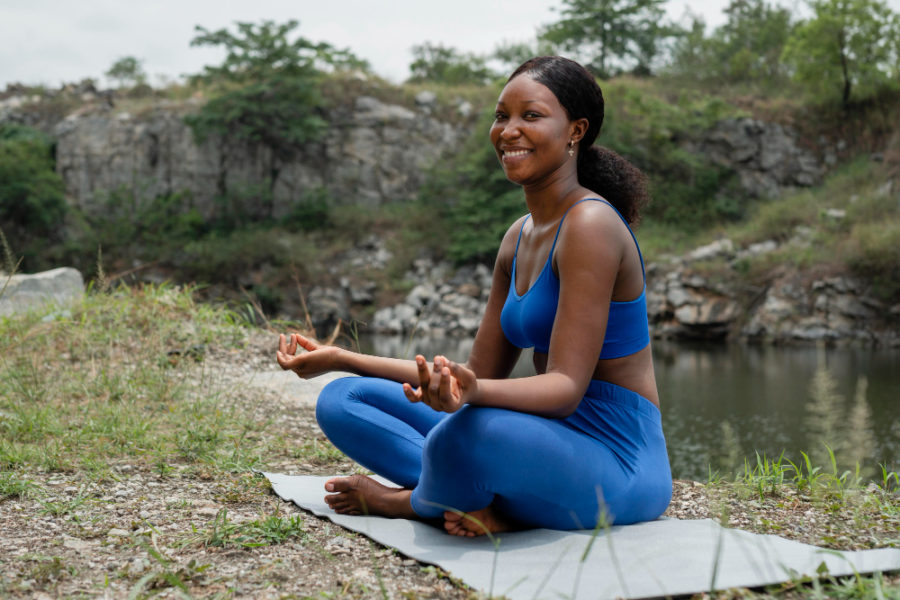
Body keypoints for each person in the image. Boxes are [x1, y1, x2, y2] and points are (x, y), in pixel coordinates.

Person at [276, 56, 672, 537]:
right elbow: (474, 377)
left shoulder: (591, 226)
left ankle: (409, 502)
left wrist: (475, 394)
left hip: (618, 461)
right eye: (501, 115)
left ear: (575, 131)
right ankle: (485, 501)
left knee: (470, 433)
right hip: (544, 440)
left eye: (531, 115)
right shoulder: (518, 237)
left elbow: (565, 389)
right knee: (344, 398)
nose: (509, 130)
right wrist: (343, 358)